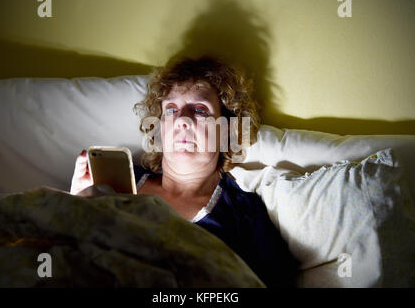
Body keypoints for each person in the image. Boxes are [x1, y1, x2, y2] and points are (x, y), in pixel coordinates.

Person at [70, 56, 299, 287]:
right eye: (171, 110)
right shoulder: (121, 179)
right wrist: (77, 205)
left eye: (200, 110)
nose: (182, 120)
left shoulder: (244, 214)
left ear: (227, 130)